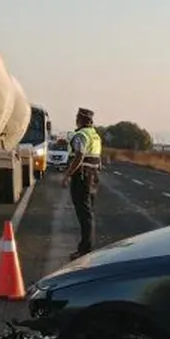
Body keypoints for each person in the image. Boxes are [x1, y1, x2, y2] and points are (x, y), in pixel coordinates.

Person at [62, 107, 103, 259]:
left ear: (79, 119)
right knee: (88, 212)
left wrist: (67, 175)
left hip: (82, 177)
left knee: (83, 213)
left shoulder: (80, 135)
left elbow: (79, 155)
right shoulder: (96, 136)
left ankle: (85, 249)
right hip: (93, 176)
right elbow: (98, 158)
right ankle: (86, 246)